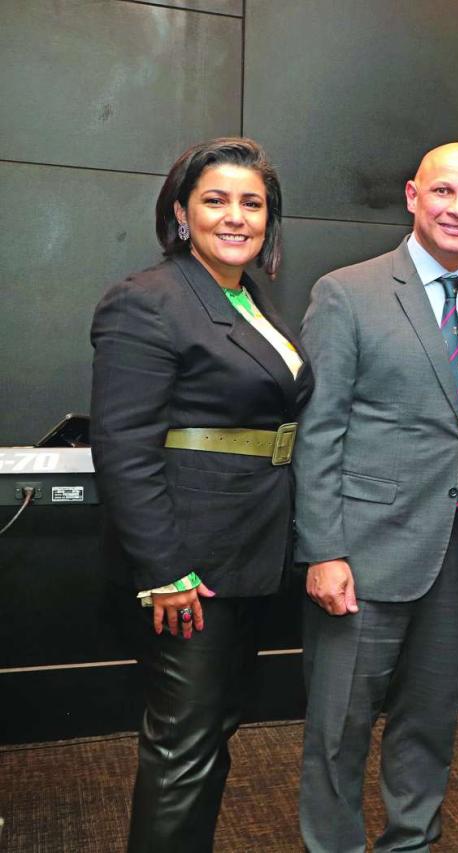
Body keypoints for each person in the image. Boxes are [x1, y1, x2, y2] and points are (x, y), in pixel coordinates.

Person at [292, 142, 458, 852]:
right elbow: (318, 431)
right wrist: (323, 550)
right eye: (444, 192)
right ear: (413, 196)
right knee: (339, 731)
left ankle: (411, 844)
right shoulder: (347, 291)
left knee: (427, 730)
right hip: (362, 554)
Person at [90, 137, 311, 852]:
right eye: (216, 200)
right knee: (183, 746)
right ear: (182, 212)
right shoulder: (147, 300)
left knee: (209, 734)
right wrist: (163, 571)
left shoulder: (249, 301)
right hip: (187, 566)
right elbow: (122, 447)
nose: (236, 216)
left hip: (248, 551)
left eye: (252, 203)